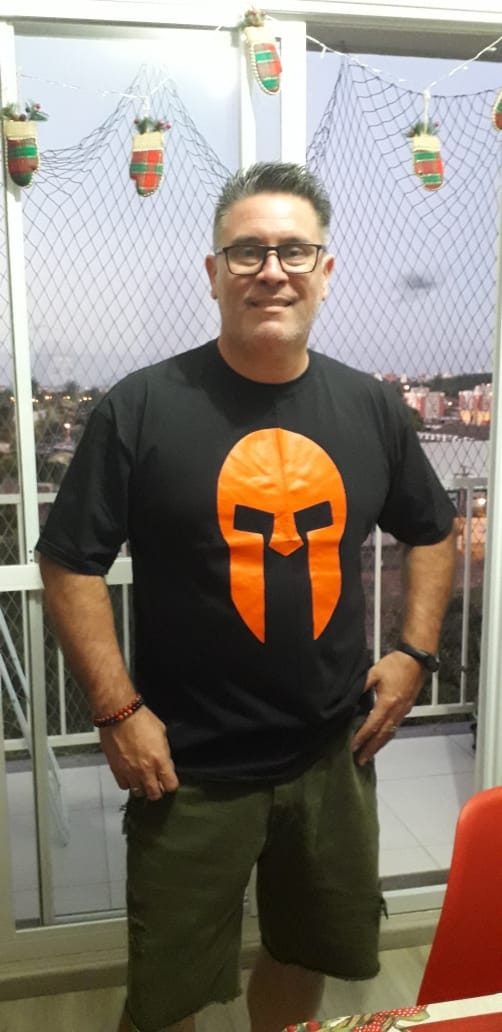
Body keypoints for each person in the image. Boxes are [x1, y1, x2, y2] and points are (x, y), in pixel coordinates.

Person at [37, 161, 456, 1032]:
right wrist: (116, 711)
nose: (272, 271)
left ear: (325, 271)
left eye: (294, 251)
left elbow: (432, 529)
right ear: (214, 272)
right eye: (247, 252)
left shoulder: (371, 408)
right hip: (186, 766)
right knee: (168, 995)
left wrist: (414, 656)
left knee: (304, 954)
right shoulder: (140, 408)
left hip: (333, 752)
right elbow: (70, 561)